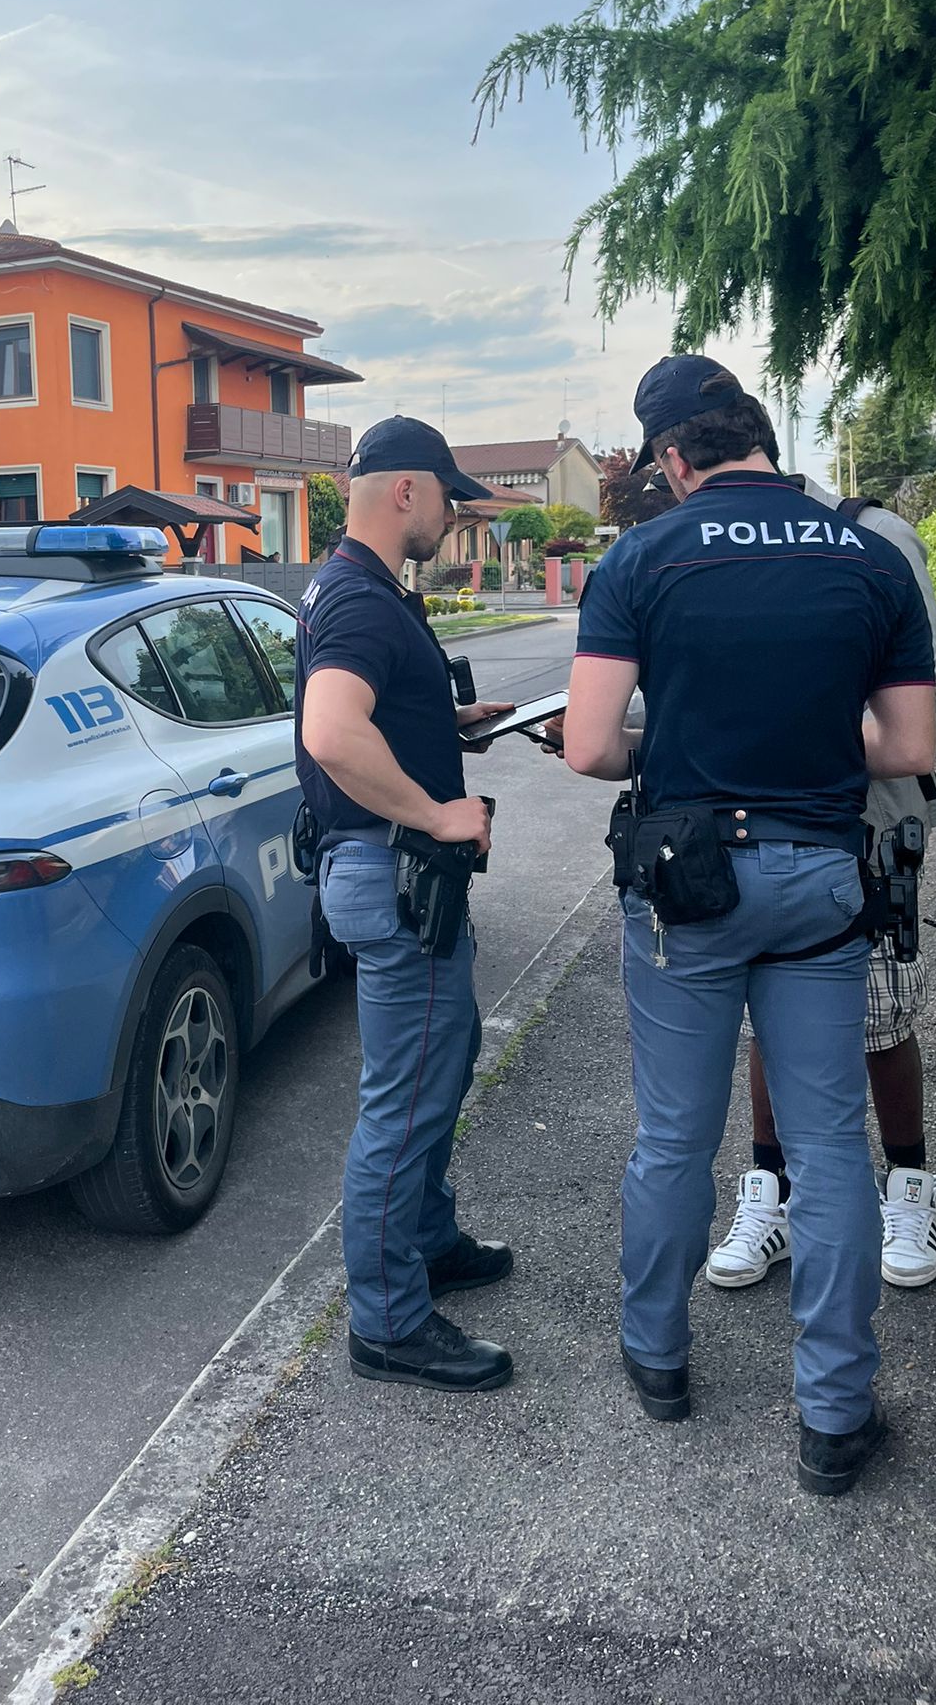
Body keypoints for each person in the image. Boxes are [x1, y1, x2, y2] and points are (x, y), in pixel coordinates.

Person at [562, 357, 936, 1495]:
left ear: (674, 456)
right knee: (827, 1147)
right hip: (821, 875)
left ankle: (658, 1357)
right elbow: (909, 745)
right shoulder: (868, 556)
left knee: (675, 1138)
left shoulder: (641, 559)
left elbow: (590, 748)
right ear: (761, 434)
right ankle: (834, 1414)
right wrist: (817, 743)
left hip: (688, 887)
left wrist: (666, 743)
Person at [295, 416, 517, 1393]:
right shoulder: (360, 598)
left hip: (395, 875)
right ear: (404, 490)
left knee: (443, 1059)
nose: (452, 513)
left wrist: (446, 723)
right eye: (446, 495)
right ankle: (387, 1322)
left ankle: (426, 1238)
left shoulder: (360, 588)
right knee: (403, 1101)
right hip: (394, 873)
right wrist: (436, 811)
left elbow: (372, 713)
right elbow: (331, 732)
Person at [708, 475, 936, 1294]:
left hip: (871, 826)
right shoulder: (736, 549)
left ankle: (908, 1190)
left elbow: (935, 689)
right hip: (764, 825)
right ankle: (770, 1196)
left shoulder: (879, 536)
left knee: (882, 1018)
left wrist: (795, 731)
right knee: (768, 1019)